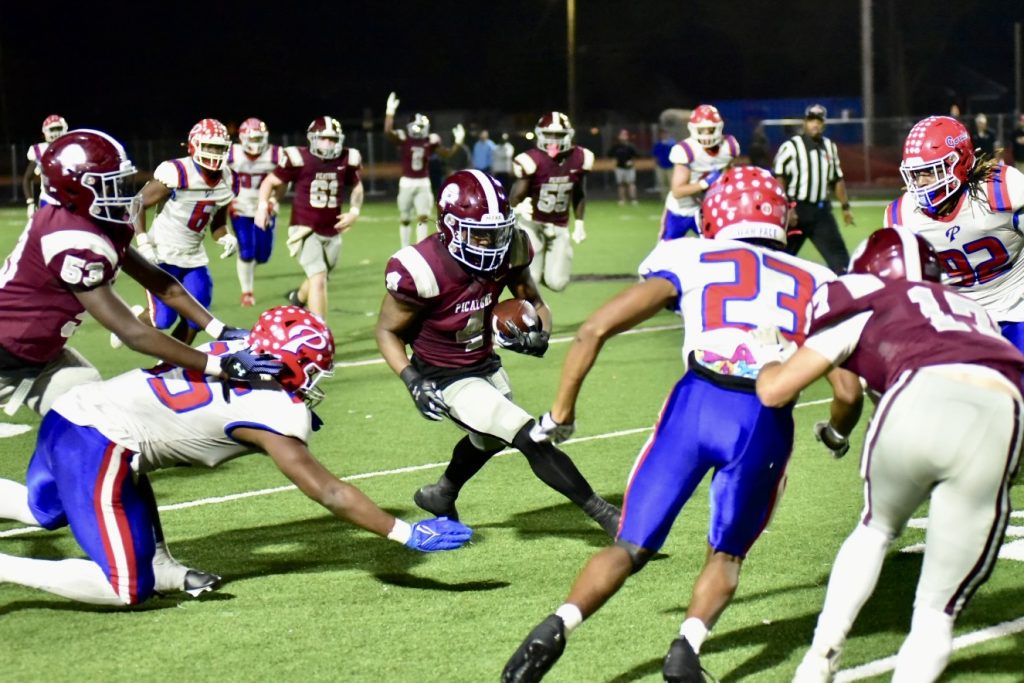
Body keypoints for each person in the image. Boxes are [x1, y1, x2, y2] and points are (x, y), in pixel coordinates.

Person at [503, 167, 863, 683]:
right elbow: (847, 392)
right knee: (726, 551)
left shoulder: (690, 254)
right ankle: (686, 649)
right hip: (762, 419)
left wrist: (561, 413)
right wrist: (836, 431)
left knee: (630, 545)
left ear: (717, 213)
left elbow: (594, 330)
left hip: (693, 404)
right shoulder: (818, 282)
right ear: (782, 217)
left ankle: (557, 625)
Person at [0, 306, 473, 607]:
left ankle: (164, 568)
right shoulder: (274, 408)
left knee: (45, 511)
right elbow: (328, 491)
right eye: (310, 371)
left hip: (72, 416)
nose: (313, 383)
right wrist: (403, 532)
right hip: (97, 442)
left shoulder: (232, 350)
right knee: (126, 588)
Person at [756, 227, 1024, 683]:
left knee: (875, 530)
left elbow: (775, 390)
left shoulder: (863, 296)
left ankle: (818, 662)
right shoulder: (973, 311)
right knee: (936, 615)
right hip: (1005, 410)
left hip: (919, 394)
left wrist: (768, 355)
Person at [375, 169, 619, 537]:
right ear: (450, 227)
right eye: (480, 235)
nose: (491, 243)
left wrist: (541, 333)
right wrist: (412, 380)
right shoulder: (421, 268)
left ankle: (442, 494)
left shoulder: (513, 246)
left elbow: (535, 303)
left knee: (487, 439)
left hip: (484, 362)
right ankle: (609, 517)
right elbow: (386, 331)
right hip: (442, 372)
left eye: (497, 232)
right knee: (527, 435)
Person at [0, 128, 271, 417]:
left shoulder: (95, 221)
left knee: (98, 415)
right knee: (96, 417)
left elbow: (165, 286)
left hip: (44, 347)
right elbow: (133, 332)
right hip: (9, 353)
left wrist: (220, 329)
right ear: (74, 188)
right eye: (108, 184)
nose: (118, 192)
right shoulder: (69, 238)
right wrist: (219, 365)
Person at [883, 115, 1024, 352]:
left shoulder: (1001, 189)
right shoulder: (902, 216)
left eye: (930, 171)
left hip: (1015, 309)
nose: (921, 183)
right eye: (915, 174)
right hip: (955, 322)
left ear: (960, 162)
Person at [125, 118, 239, 345]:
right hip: (162, 254)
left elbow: (217, 222)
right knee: (162, 319)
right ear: (194, 145)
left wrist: (225, 236)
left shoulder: (228, 179)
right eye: (210, 147)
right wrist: (143, 241)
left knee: (198, 318)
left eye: (219, 148)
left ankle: (172, 365)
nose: (215, 153)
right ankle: (130, 319)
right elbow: (136, 203)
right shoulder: (178, 172)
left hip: (194, 257)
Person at [255, 116, 364, 319]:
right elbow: (269, 182)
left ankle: (298, 298)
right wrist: (262, 207)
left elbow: (357, 186)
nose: (329, 143)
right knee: (319, 278)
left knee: (320, 276)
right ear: (313, 138)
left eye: (333, 139)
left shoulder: (346, 158)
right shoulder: (299, 158)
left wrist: (354, 211)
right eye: (324, 138)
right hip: (304, 228)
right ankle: (320, 332)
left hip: (332, 229)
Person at [509, 112, 594, 292]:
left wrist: (579, 223)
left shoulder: (580, 158)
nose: (553, 140)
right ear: (540, 134)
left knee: (558, 282)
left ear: (569, 135)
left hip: (559, 224)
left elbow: (579, 192)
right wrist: (515, 207)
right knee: (531, 280)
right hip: (532, 223)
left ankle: (547, 270)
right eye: (549, 135)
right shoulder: (531, 159)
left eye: (559, 135)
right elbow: (516, 194)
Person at [772, 103, 855, 273]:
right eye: (811, 120)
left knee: (841, 263)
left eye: (818, 121)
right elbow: (779, 177)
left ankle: (848, 295)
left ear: (823, 124)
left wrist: (845, 207)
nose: (815, 124)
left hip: (821, 213)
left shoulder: (830, 146)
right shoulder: (791, 146)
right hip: (796, 211)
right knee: (777, 260)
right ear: (805, 122)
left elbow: (836, 179)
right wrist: (787, 207)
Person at [383, 92, 465, 248]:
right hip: (407, 181)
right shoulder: (404, 138)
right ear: (409, 127)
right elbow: (388, 132)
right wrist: (389, 113)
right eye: (416, 126)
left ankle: (421, 248)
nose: (419, 129)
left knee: (423, 216)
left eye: (421, 127)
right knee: (405, 217)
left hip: (423, 182)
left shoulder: (429, 141)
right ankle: (405, 248)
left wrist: (458, 143)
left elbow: (447, 154)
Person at [659, 104, 739, 241]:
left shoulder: (729, 146)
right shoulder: (687, 150)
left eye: (711, 129)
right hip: (680, 210)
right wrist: (705, 183)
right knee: (664, 251)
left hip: (707, 209)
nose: (707, 134)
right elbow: (678, 191)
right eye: (702, 130)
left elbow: (730, 173)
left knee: (719, 248)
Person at [227, 117, 283, 307]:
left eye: (259, 139)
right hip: (240, 207)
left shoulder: (275, 154)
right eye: (252, 139)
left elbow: (284, 182)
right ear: (242, 138)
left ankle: (248, 268)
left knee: (263, 255)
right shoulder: (231, 154)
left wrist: (274, 199)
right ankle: (247, 292)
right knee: (247, 251)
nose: (256, 144)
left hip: (265, 208)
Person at [22, 114, 68, 220]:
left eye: (58, 128)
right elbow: (27, 178)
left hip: (69, 201)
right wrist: (30, 202)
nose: (56, 132)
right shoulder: (39, 151)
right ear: (45, 131)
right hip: (48, 200)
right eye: (52, 129)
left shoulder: (72, 149)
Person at [606, 129, 638, 205]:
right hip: (619, 168)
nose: (623, 137)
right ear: (619, 137)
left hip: (629, 168)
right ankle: (622, 200)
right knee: (621, 184)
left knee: (631, 183)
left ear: (627, 136)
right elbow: (609, 154)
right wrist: (614, 161)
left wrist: (631, 161)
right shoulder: (616, 146)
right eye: (621, 135)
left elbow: (636, 155)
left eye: (624, 135)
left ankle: (633, 199)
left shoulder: (631, 146)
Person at [650, 128, 676, 194]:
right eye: (662, 134)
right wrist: (655, 164)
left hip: (670, 166)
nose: (664, 135)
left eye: (665, 134)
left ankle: (672, 197)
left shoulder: (672, 143)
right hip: (660, 166)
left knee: (671, 182)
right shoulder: (658, 144)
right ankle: (664, 198)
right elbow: (655, 155)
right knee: (662, 183)